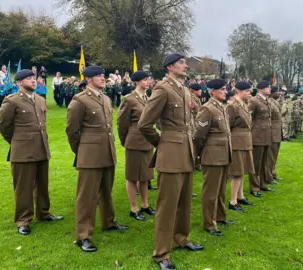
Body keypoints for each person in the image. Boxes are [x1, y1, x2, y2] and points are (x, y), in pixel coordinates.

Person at [137, 54, 203, 270]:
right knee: (167, 205)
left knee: (185, 201)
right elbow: (145, 124)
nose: (186, 66)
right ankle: (161, 253)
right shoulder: (162, 89)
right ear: (169, 67)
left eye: (184, 63)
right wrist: (163, 143)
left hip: (186, 152)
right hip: (171, 154)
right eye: (182, 63)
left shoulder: (183, 89)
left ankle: (181, 238)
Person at [66, 66, 128, 253]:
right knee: (87, 197)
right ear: (89, 79)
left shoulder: (106, 98)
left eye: (103, 75)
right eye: (98, 76)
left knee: (106, 192)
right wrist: (82, 151)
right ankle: (83, 235)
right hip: (90, 156)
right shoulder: (80, 100)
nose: (103, 78)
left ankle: (108, 221)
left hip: (107, 152)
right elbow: (72, 131)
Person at [0, 69, 64, 235]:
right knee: (24, 187)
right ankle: (23, 220)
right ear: (19, 83)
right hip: (23, 151)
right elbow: (3, 126)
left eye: (33, 78)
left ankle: (43, 212)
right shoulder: (12, 101)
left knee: (42, 184)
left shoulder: (40, 100)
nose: (33, 81)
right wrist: (17, 142)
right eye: (28, 79)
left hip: (41, 148)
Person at [193, 79, 233, 237]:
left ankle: (220, 216)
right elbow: (198, 135)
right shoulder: (207, 109)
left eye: (225, 89)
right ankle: (209, 223)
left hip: (224, 155)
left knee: (222, 189)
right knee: (211, 191)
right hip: (212, 156)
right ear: (213, 92)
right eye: (222, 89)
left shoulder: (221, 107)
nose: (225, 91)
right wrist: (200, 153)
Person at [117, 71, 155, 222]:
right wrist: (125, 140)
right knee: (132, 176)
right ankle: (134, 208)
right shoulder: (129, 99)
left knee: (145, 176)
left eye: (149, 79)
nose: (149, 82)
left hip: (147, 142)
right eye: (146, 80)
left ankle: (145, 205)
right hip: (134, 141)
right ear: (138, 82)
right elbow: (122, 123)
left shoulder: (148, 98)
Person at [226, 81, 255, 212]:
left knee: (243, 170)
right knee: (237, 172)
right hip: (237, 142)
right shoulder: (232, 106)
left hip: (244, 140)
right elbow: (228, 126)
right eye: (248, 91)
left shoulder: (243, 105)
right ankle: (232, 201)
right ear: (241, 92)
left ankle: (240, 196)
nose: (250, 94)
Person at [247, 81, 274, 198]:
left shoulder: (266, 100)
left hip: (267, 135)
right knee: (256, 163)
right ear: (262, 89)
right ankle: (254, 187)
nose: (270, 89)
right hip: (258, 135)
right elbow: (248, 117)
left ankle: (263, 183)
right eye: (268, 87)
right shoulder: (254, 101)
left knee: (265, 161)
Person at [267, 86, 283, 184]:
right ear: (272, 93)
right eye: (277, 91)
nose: (279, 93)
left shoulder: (275, 102)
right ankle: (268, 176)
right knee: (270, 156)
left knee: (275, 155)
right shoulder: (269, 102)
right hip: (272, 132)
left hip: (277, 132)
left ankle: (273, 172)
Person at [189, 83, 203, 175]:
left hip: (198, 124)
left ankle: (197, 163)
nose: (201, 91)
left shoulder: (197, 99)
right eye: (199, 90)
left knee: (198, 145)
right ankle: (192, 165)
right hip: (193, 124)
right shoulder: (190, 100)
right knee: (193, 146)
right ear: (194, 91)